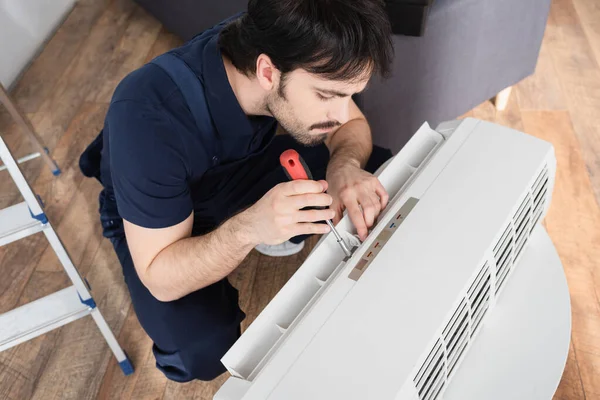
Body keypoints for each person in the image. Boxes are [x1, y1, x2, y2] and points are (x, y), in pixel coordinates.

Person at [79, 0, 394, 382]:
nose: (343, 112)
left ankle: (275, 218)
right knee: (204, 349)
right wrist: (249, 229)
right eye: (328, 96)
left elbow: (350, 126)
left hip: (237, 166)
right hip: (157, 224)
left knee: (371, 170)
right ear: (267, 72)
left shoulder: (288, 44)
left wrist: (344, 167)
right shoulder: (147, 115)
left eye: (349, 95)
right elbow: (160, 276)